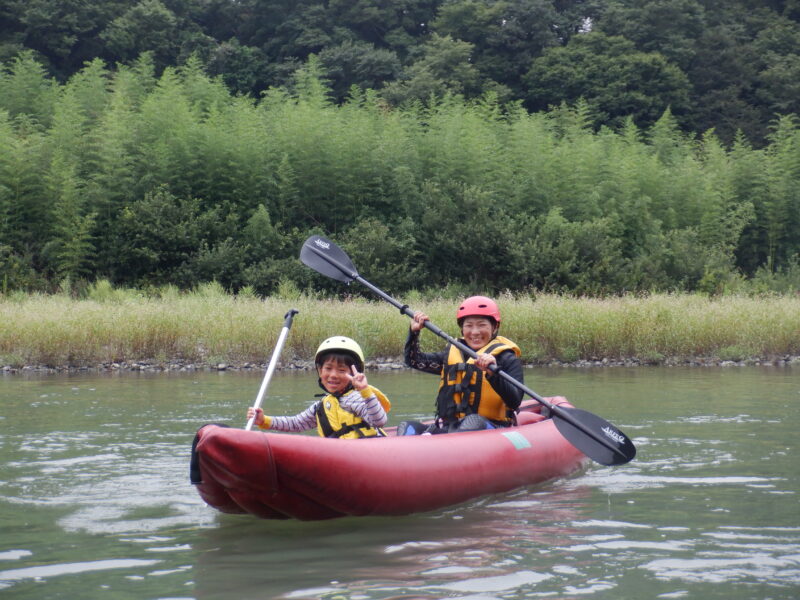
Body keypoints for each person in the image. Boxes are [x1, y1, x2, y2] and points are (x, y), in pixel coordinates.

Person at [399, 295, 524, 434]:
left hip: (490, 428)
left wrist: (493, 374)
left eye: (482, 325)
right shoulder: (451, 354)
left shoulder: (506, 358)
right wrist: (414, 333)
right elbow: (414, 361)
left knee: (473, 421)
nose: (475, 332)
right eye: (469, 325)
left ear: (495, 327)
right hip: (451, 428)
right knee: (407, 427)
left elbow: (515, 401)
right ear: (462, 328)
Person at [247, 336, 391, 438]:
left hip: (366, 453)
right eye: (328, 368)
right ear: (320, 370)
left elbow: (379, 421)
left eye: (341, 370)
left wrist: (365, 391)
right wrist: (263, 420)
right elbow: (296, 423)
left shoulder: (356, 397)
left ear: (355, 373)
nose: (333, 375)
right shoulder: (321, 406)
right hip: (341, 457)